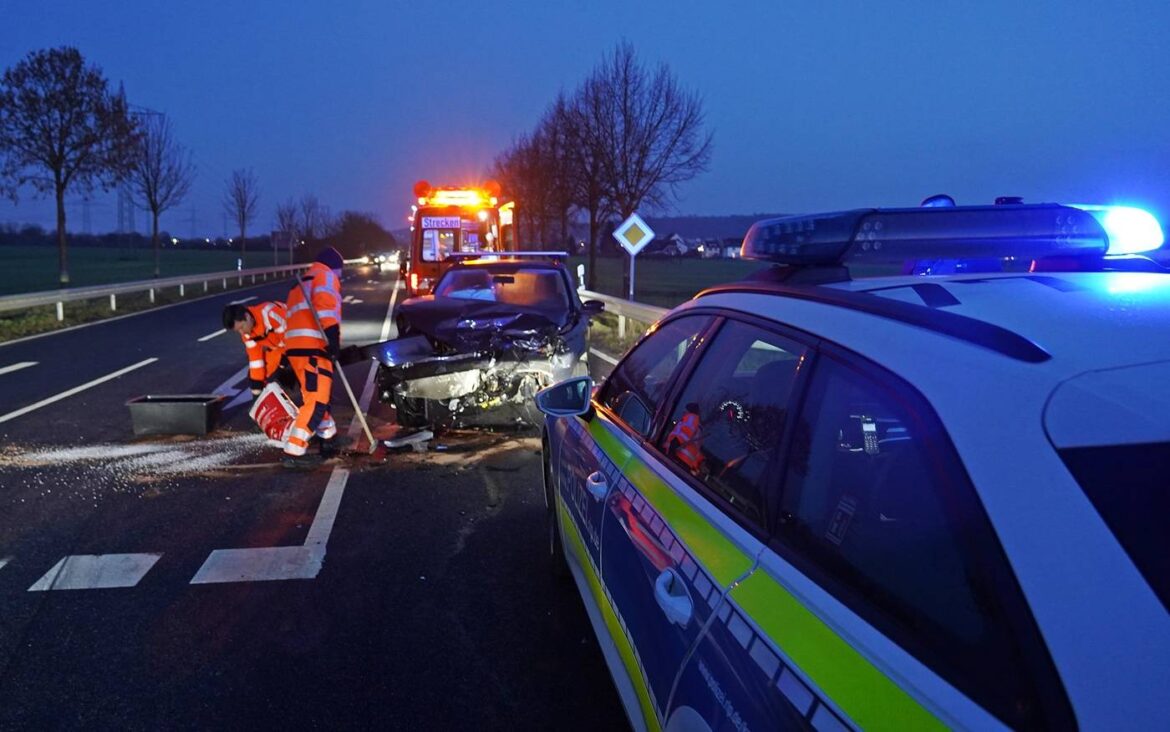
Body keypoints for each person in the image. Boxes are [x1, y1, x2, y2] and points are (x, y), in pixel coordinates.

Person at [281, 246, 344, 468]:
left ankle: (328, 438)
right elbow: (326, 309)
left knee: (315, 398)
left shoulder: (301, 282)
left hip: (296, 348)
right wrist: (332, 339)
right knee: (317, 402)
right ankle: (293, 450)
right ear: (336, 267)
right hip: (315, 348)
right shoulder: (325, 276)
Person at [221, 301, 288, 397]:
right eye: (238, 331)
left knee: (290, 372)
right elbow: (255, 359)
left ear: (247, 316)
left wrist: (284, 362)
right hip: (279, 348)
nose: (242, 333)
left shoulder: (270, 314)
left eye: (242, 327)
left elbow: (292, 338)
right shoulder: (247, 334)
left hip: (299, 342)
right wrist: (257, 386)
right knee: (262, 379)